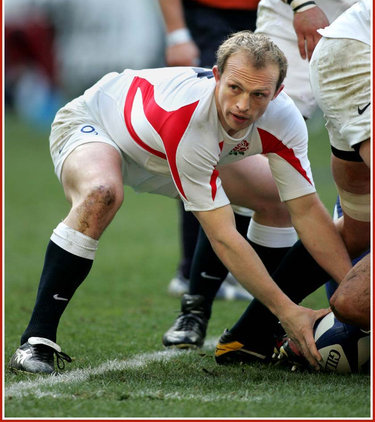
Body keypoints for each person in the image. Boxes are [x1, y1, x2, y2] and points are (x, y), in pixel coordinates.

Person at [9, 31, 352, 374]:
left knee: (275, 197)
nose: (244, 105)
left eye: (259, 94)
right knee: (102, 193)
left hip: (177, 150)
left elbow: (307, 211)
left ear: (277, 93)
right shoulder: (191, 118)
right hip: (98, 126)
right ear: (216, 77)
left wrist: (354, 291)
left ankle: (252, 337)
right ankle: (36, 341)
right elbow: (223, 237)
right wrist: (289, 309)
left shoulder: (285, 120)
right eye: (234, 88)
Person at [162, 0, 371, 358]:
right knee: (243, 164)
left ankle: (254, 330)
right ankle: (197, 305)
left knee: (343, 212)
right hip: (310, 36)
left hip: (357, 31)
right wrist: (302, 3)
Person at [148, 0, 265, 299]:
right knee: (205, 144)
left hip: (264, 20)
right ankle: (192, 271)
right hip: (209, 21)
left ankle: (234, 269)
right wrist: (177, 34)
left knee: (253, 146)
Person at [309, 0, 371, 330]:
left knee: (357, 232)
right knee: (351, 304)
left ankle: (254, 329)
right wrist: (300, 2)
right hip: (357, 57)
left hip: (347, 50)